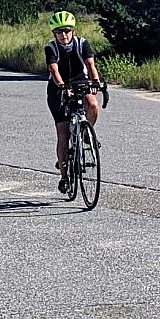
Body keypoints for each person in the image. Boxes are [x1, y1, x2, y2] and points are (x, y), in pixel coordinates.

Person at [45, 10, 101, 194]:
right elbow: (54, 70)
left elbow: (91, 65)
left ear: (73, 31)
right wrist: (62, 86)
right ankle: (64, 177)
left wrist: (96, 82)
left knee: (93, 105)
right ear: (54, 33)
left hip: (79, 81)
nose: (64, 35)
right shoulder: (51, 47)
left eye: (67, 31)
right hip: (58, 88)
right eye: (59, 32)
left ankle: (86, 132)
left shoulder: (82, 43)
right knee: (63, 133)